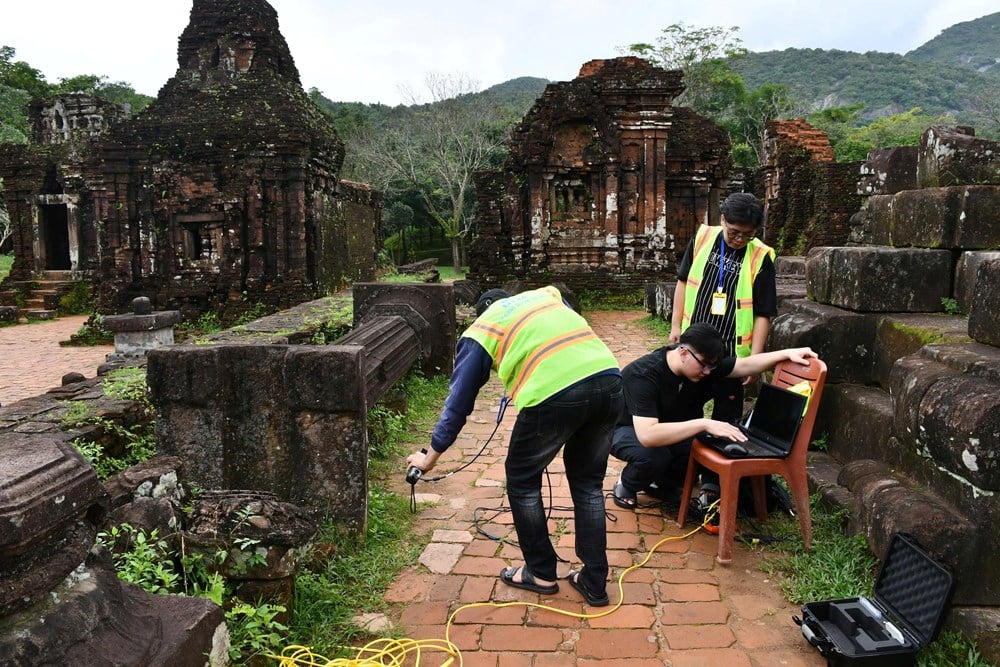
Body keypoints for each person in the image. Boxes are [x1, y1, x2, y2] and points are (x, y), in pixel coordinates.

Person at [407, 285, 624, 607]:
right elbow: (565, 327)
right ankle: (594, 581)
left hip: (554, 394)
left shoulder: (480, 330)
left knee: (522, 481)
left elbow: (459, 402)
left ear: (482, 312)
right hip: (608, 378)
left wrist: (432, 455)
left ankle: (540, 572)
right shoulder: (545, 294)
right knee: (589, 484)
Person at [610, 322, 817, 511]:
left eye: (712, 367)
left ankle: (660, 482)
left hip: (668, 427)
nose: (708, 372)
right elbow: (648, 435)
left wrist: (788, 353)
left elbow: (745, 365)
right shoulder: (644, 375)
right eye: (704, 365)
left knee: (707, 447)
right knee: (653, 456)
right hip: (627, 429)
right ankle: (627, 483)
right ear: (683, 353)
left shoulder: (700, 365)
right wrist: (704, 424)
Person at [670, 192, 777, 423]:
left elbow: (763, 313)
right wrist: (675, 325)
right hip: (695, 345)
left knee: (727, 418)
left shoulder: (761, 257)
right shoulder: (702, 238)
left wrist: (754, 361)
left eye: (747, 235)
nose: (739, 240)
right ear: (722, 220)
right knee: (682, 411)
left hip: (731, 351)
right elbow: (683, 281)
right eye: (734, 232)